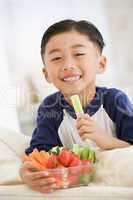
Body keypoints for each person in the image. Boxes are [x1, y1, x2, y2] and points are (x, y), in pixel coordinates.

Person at [19, 19, 133, 193]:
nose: (68, 65)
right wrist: (26, 173)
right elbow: (38, 155)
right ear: (46, 74)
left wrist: (106, 141)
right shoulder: (50, 108)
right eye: (56, 58)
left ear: (100, 64)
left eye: (79, 54)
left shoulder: (116, 100)